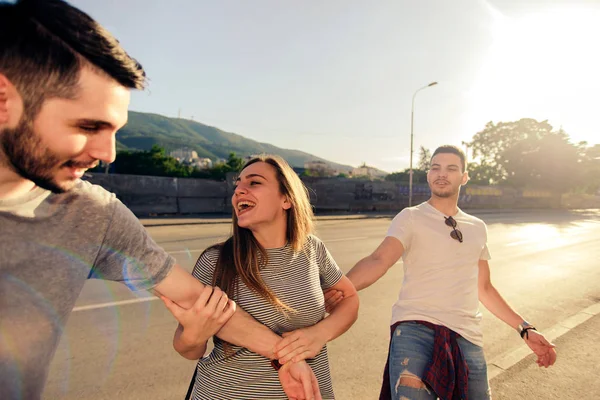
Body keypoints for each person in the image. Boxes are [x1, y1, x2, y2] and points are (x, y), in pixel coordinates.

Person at [0, 1, 318, 399]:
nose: (108, 153)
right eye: (88, 126)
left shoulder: (92, 213)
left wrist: (285, 356)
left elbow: (196, 300)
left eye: (115, 130)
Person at [327, 145, 557, 399]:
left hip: (467, 336)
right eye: (435, 167)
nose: (441, 174)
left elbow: (485, 288)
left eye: (451, 168)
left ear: (464, 177)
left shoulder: (477, 227)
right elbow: (379, 259)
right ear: (428, 175)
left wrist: (525, 328)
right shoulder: (411, 217)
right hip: (415, 329)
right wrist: (339, 288)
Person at [163, 155, 359, 400]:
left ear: (287, 198)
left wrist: (320, 334)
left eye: (254, 183)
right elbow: (188, 349)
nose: (239, 191)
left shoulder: (312, 249)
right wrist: (193, 336)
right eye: (237, 185)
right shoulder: (216, 260)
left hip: (309, 392)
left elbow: (349, 297)